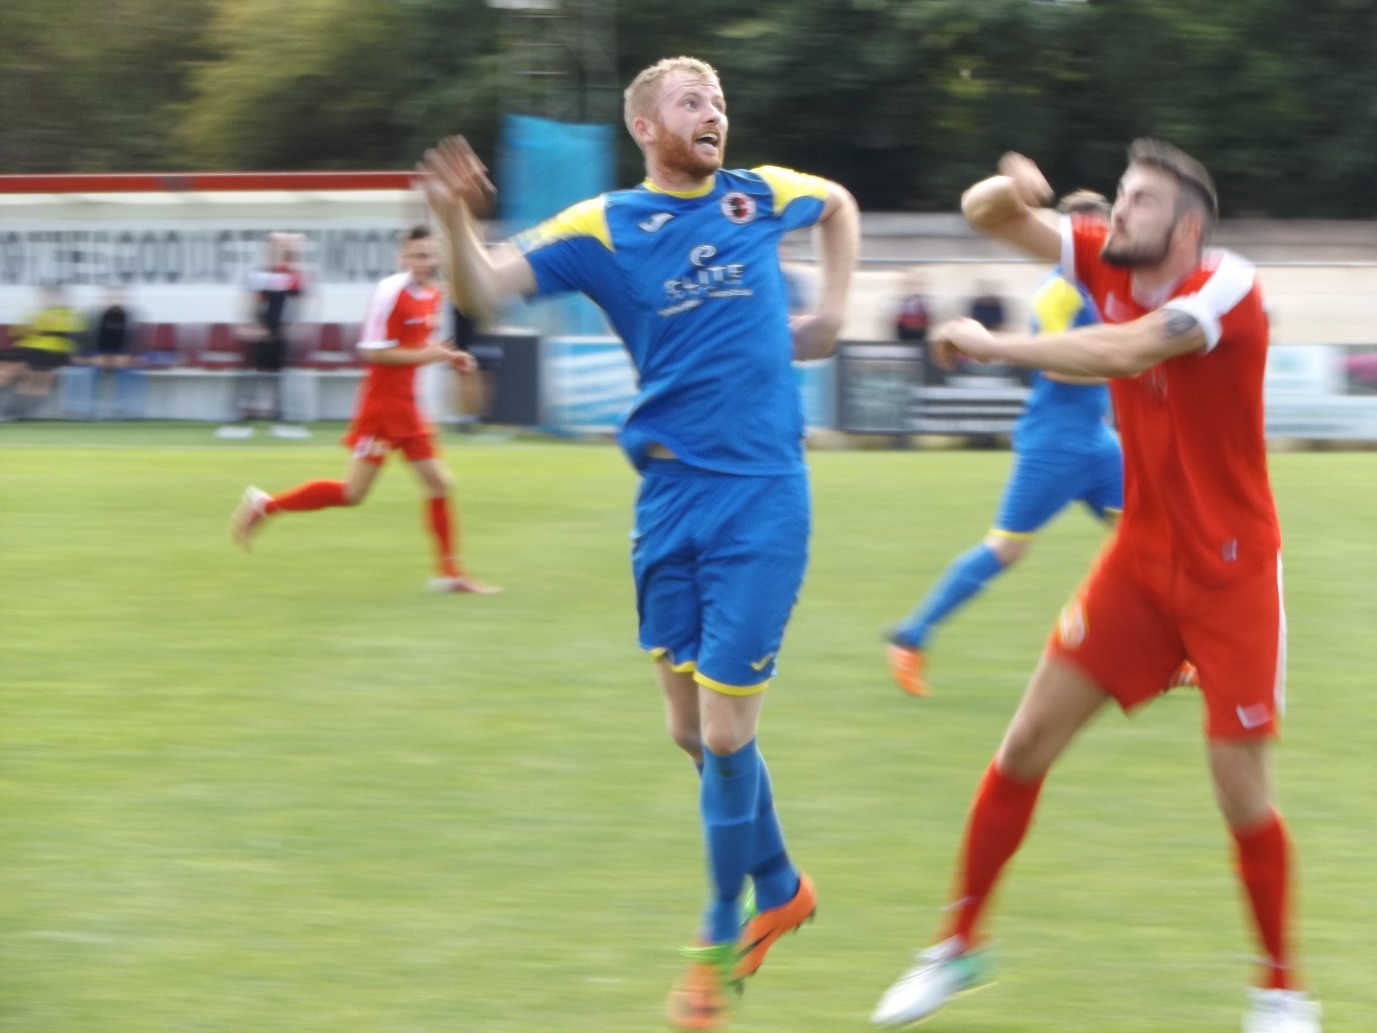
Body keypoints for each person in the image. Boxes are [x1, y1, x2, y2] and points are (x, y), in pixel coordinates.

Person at [418, 55, 859, 1030]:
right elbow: (485, 291)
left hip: (762, 498)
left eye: (720, 102)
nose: (715, 114)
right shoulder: (602, 226)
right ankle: (782, 884)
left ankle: (717, 939)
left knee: (726, 732)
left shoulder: (759, 194)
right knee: (688, 730)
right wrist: (452, 221)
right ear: (646, 127)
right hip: (666, 499)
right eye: (693, 102)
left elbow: (839, 203)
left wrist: (833, 311)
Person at [871, 142, 1320, 1033]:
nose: (1116, 210)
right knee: (1023, 744)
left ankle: (1279, 992)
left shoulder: (1227, 286)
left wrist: (996, 345)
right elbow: (986, 215)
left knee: (1240, 796)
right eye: (1118, 193)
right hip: (1138, 564)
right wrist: (1012, 188)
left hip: (1232, 576)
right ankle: (954, 947)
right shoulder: (1101, 255)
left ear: (1185, 228)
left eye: (1139, 200)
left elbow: (1127, 349)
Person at [885, 192, 1124, 697]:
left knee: (1149, 538)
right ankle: (911, 636)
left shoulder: (1105, 287)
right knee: (1006, 548)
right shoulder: (1060, 291)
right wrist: (1126, 368)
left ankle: (1173, 652)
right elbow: (1054, 366)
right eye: (1090, 232)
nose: (1101, 241)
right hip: (1055, 442)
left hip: (1098, 440)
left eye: (1105, 232)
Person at [230, 226, 499, 595]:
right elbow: (371, 351)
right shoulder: (390, 291)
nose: (426, 262)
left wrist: (448, 355)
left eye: (430, 255)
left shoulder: (433, 294)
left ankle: (449, 574)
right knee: (352, 493)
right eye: (418, 255)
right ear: (402, 257)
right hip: (382, 409)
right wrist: (430, 354)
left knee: (440, 484)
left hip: (409, 408)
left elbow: (417, 342)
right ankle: (265, 505)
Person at [0, 285, 85, 420]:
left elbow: (73, 333)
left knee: (40, 378)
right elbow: (18, 331)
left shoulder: (71, 315)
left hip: (54, 353)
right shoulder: (39, 313)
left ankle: (22, 412)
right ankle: (15, 411)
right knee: (28, 377)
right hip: (33, 350)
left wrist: (45, 327)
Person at [893, 270, 931, 345]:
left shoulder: (925, 302)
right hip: (904, 334)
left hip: (919, 334)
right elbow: (896, 320)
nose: (913, 287)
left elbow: (928, 320)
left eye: (916, 284)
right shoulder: (899, 303)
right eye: (910, 284)